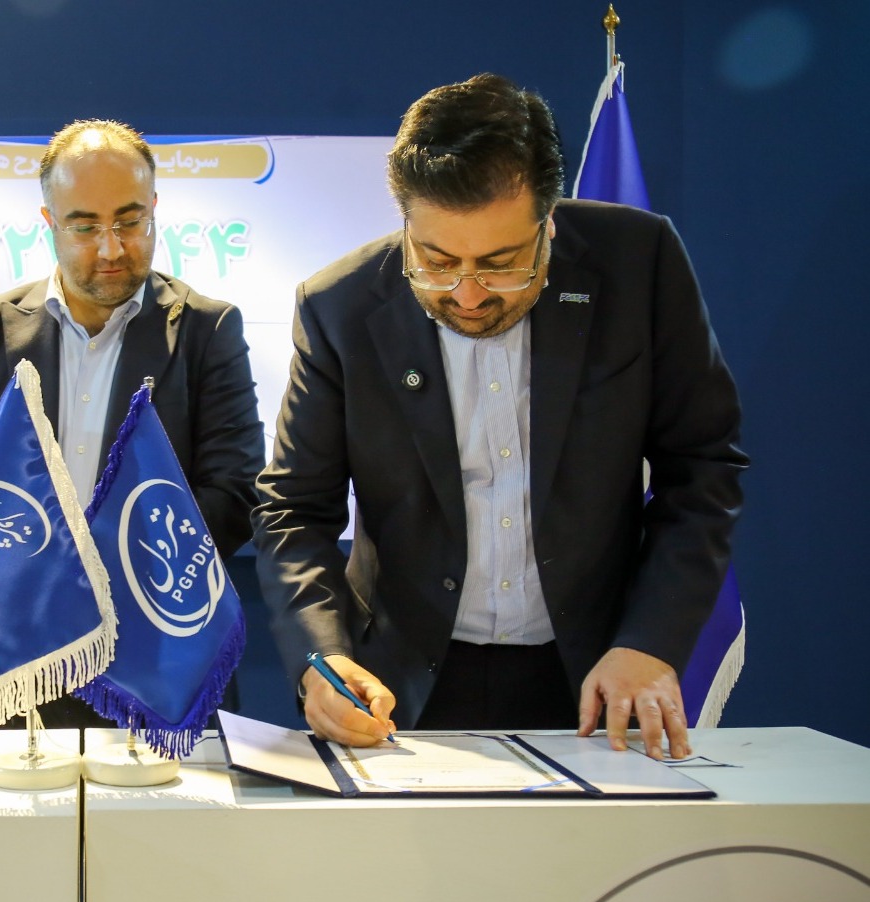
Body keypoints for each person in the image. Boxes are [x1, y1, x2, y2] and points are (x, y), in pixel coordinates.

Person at [253, 74, 745, 759]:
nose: (467, 294)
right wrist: (322, 658)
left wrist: (649, 641)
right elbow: (294, 509)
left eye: (501, 264)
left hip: (599, 671)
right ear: (406, 223)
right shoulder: (339, 305)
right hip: (401, 683)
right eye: (435, 261)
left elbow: (702, 467)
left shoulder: (639, 263)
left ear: (548, 222)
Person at [0, 119, 264, 727]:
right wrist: (39, 570)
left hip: (157, 660)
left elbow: (235, 494)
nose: (111, 249)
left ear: (154, 209)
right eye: (84, 227)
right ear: (49, 222)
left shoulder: (207, 330)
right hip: (13, 658)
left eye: (130, 221)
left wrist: (98, 579)